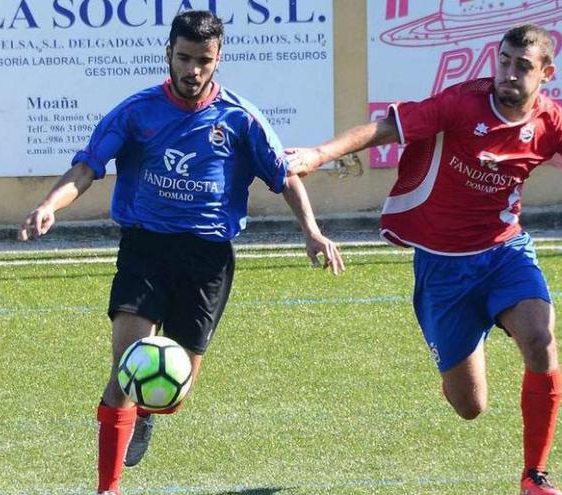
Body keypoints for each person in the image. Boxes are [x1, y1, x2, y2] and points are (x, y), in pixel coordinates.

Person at [286, 24, 562, 495]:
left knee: (541, 340)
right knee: (470, 407)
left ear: (546, 73)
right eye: (504, 61)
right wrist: (319, 153)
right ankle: (466, 348)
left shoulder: (552, 125)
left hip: (504, 252)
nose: (509, 73)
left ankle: (534, 475)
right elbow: (387, 127)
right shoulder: (461, 104)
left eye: (523, 66)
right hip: (443, 268)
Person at [18, 10, 344, 495]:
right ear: (168, 53)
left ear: (219, 59)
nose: (192, 70)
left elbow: (285, 175)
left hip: (207, 259)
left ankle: (149, 413)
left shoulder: (239, 118)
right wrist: (50, 204)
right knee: (128, 369)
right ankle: (107, 488)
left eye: (203, 61)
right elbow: (87, 168)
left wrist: (312, 231)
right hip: (145, 248)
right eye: (184, 57)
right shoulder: (137, 112)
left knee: (173, 395)